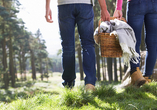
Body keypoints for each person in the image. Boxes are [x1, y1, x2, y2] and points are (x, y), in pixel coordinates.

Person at [45, 0, 110, 90]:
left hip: (64, 5)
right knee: (88, 44)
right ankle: (90, 83)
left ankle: (68, 85)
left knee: (67, 47)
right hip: (85, 5)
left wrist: (47, 7)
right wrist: (104, 9)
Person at [113, 0, 157, 86]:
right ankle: (147, 78)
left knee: (133, 41)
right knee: (153, 43)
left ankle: (136, 74)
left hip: (136, 4)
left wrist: (118, 7)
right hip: (154, 4)